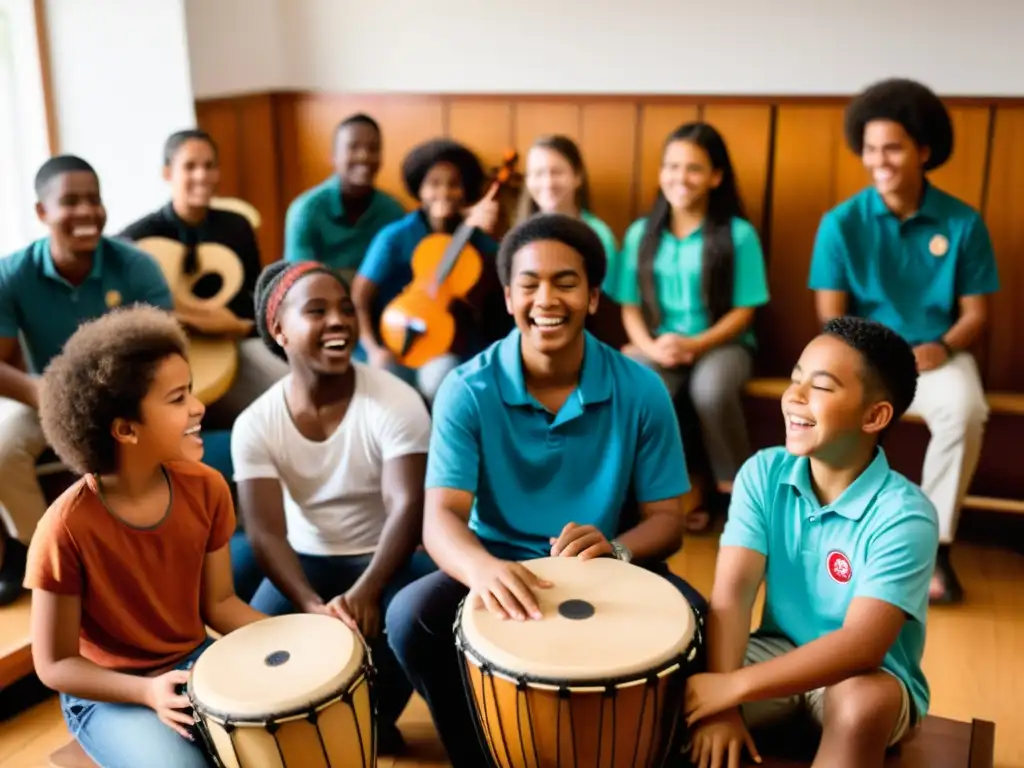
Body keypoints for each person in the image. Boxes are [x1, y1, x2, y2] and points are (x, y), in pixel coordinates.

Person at [385, 213, 707, 768]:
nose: (547, 299)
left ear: (594, 297)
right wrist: (482, 569)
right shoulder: (467, 388)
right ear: (509, 297)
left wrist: (619, 550)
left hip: (607, 565)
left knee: (699, 621)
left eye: (566, 282)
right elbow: (440, 518)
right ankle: (482, 751)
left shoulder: (642, 388)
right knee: (409, 618)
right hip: (501, 564)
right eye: (530, 284)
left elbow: (667, 520)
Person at [683, 316, 936, 768]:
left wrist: (733, 689)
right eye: (795, 378)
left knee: (862, 704)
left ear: (874, 416)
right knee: (673, 680)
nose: (794, 397)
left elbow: (861, 645)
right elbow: (732, 597)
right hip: (775, 653)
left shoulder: (906, 514)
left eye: (820, 386)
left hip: (864, 676)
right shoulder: (763, 471)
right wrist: (718, 708)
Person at [23, 305, 266, 768]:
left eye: (189, 390)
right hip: (109, 692)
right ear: (125, 429)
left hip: (195, 662)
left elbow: (218, 605)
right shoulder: (63, 528)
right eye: (177, 399)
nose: (198, 406)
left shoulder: (207, 486)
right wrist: (146, 692)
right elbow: (54, 664)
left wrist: (300, 637)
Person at [808, 78, 1000, 604]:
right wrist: (863, 360)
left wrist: (941, 346)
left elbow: (977, 314)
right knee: (830, 408)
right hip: (863, 356)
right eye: (870, 149)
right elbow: (831, 318)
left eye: (892, 148)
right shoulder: (840, 223)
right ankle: (836, 541)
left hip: (938, 356)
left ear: (924, 151)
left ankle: (933, 550)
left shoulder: (963, 222)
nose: (880, 160)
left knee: (966, 411)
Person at [231, 260, 436, 752]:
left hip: (389, 557)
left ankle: (374, 721)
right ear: (280, 330)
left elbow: (408, 505)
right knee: (263, 654)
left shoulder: (395, 401)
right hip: (308, 558)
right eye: (317, 310)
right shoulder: (256, 423)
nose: (339, 320)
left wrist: (367, 591)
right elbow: (265, 532)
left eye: (346, 309)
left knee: (399, 637)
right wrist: (306, 603)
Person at [0, 155, 173, 606]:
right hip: (44, 393)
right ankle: (44, 558)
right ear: (42, 212)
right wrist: (43, 393)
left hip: (125, 394)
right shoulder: (11, 274)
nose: (87, 212)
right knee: (2, 448)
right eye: (70, 201)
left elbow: (165, 350)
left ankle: (151, 549)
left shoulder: (135, 265)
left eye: (94, 200)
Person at [611, 122, 770, 533]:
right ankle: (662, 494)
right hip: (658, 344)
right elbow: (628, 305)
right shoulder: (640, 233)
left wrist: (695, 345)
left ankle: (734, 492)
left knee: (711, 390)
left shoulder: (738, 234)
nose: (680, 178)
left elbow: (744, 311)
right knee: (646, 387)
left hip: (723, 343)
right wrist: (650, 345)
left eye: (694, 169)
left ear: (716, 177)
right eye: (672, 166)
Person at [120, 129, 288, 431]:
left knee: (294, 393)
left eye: (209, 166)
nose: (202, 175)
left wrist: (239, 326)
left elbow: (257, 298)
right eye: (190, 167)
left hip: (235, 344)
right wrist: (196, 319)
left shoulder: (237, 227)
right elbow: (126, 313)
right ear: (168, 173)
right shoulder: (137, 238)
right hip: (169, 357)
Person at [351, 138, 501, 404]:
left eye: (453, 184)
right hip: (393, 342)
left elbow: (502, 283)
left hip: (445, 348)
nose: (444, 192)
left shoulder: (477, 238)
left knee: (445, 382)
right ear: (419, 191)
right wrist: (374, 349)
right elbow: (359, 297)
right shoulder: (395, 236)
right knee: (386, 388)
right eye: (433, 183)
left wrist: (489, 233)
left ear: (465, 192)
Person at [283, 113, 406, 283]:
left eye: (373, 148)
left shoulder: (393, 211)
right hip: (321, 300)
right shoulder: (306, 210)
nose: (364, 156)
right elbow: (300, 280)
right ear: (333, 156)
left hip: (378, 304)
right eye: (353, 147)